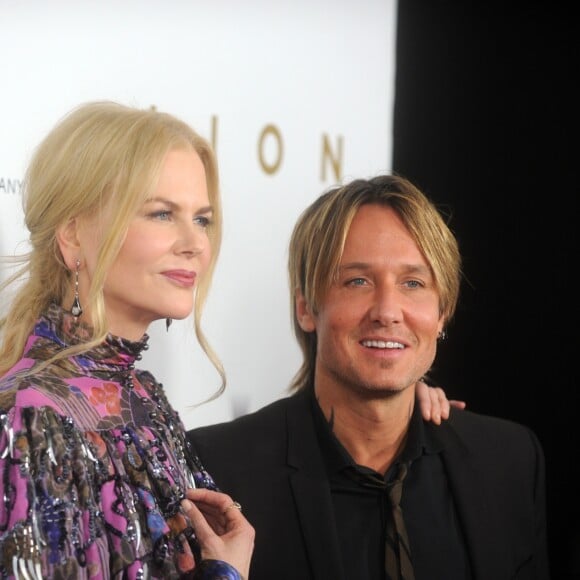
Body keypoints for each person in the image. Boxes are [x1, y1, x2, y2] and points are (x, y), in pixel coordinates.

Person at [188, 174, 550, 579]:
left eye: (413, 283)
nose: (387, 311)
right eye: (358, 281)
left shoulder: (508, 461)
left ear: (441, 314)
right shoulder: (220, 469)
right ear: (306, 307)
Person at [0, 101, 255, 579]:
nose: (195, 243)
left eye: (201, 219)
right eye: (162, 214)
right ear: (73, 235)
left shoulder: (145, 397)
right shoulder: (30, 420)